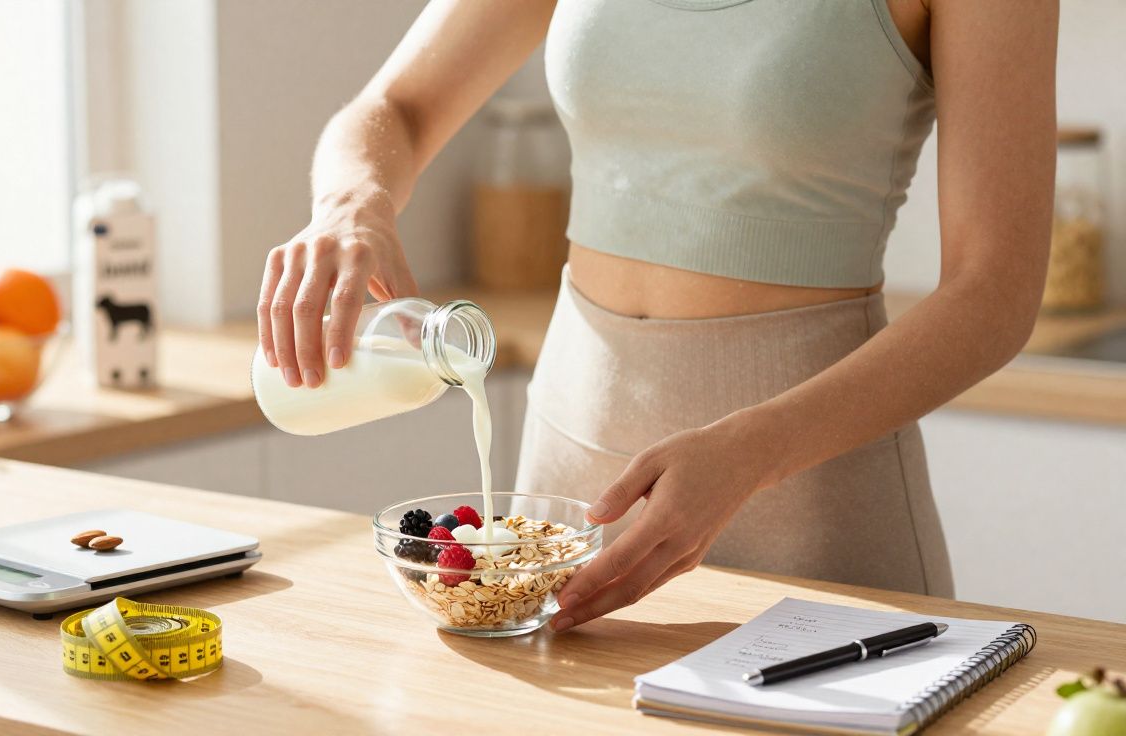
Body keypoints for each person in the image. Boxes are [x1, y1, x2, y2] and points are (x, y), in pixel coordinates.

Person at [256, 0, 1057, 632]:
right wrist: (351, 198)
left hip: (807, 498)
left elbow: (995, 293)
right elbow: (396, 105)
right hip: (566, 475)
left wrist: (757, 450)